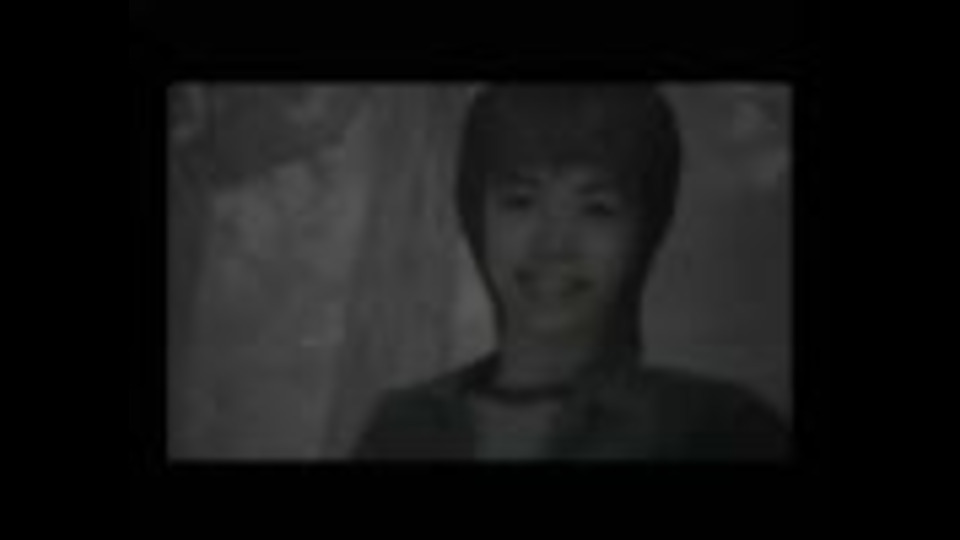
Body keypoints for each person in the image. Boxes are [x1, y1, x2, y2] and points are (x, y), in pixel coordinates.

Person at [352, 84, 790, 461]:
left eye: (596, 208)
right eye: (520, 201)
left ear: (644, 231)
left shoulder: (720, 428)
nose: (554, 244)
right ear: (477, 218)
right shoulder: (403, 428)